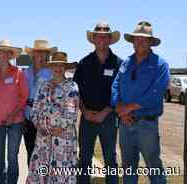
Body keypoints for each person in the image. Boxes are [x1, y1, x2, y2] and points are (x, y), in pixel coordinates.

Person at [111, 21, 169, 184]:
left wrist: (127, 108)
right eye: (137, 38)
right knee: (128, 167)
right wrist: (119, 109)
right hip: (125, 124)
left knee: (154, 166)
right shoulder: (126, 63)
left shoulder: (160, 65)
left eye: (145, 39)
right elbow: (115, 86)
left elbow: (155, 94)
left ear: (151, 42)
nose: (140, 42)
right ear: (133, 41)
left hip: (147, 125)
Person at [74, 21, 121, 184]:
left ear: (110, 39)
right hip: (87, 118)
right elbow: (75, 92)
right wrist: (84, 111)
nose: (101, 39)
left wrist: (106, 112)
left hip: (108, 117)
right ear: (93, 39)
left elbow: (121, 93)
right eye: (98, 36)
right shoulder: (84, 63)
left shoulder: (119, 64)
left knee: (110, 159)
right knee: (84, 159)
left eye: (105, 36)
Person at [26, 52, 79, 184]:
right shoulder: (43, 85)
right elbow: (35, 108)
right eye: (55, 65)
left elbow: (71, 112)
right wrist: (38, 125)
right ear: (51, 67)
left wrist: (59, 129)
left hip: (63, 137)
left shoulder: (72, 87)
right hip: (43, 138)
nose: (58, 68)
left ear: (66, 68)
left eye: (62, 65)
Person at [0, 40, 29, 184]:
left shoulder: (19, 73)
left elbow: (24, 97)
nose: (5, 54)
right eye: (2, 51)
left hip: (15, 121)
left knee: (12, 157)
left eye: (8, 52)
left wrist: (13, 115)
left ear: (11, 55)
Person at [23, 40, 56, 165]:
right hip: (28, 117)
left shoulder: (52, 73)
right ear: (33, 55)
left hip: (44, 119)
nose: (41, 57)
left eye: (44, 54)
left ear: (48, 56)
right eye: (38, 54)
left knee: (45, 153)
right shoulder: (25, 72)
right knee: (30, 152)